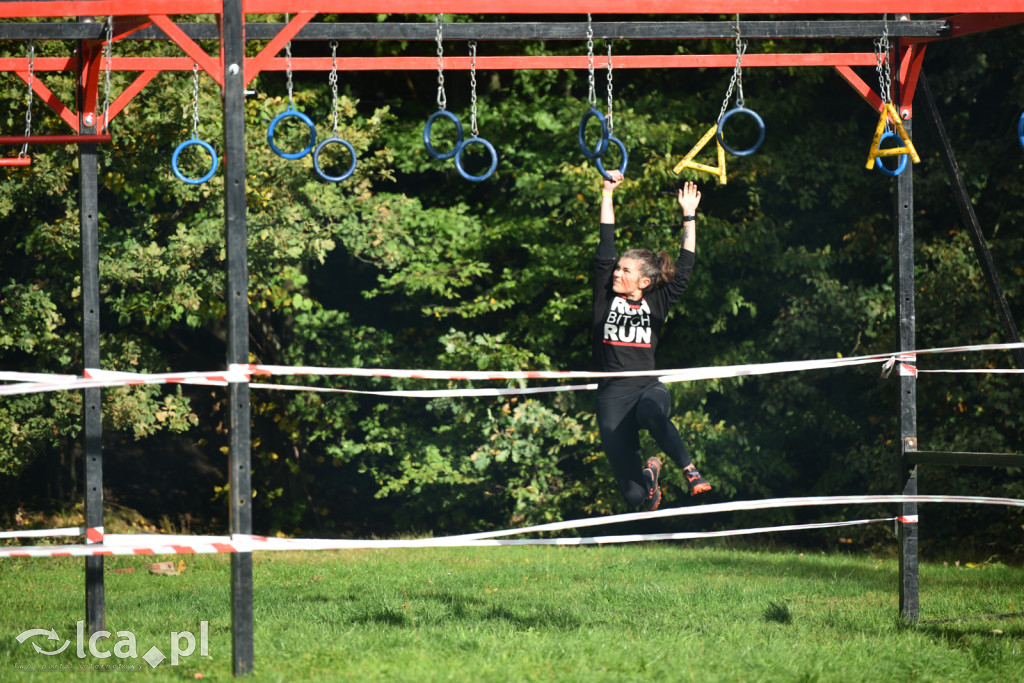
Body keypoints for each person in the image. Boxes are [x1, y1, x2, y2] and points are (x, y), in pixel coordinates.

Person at [592, 169, 711, 511]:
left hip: (646, 387)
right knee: (635, 500)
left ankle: (689, 470)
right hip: (611, 397)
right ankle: (649, 478)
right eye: (617, 268)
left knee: (651, 413)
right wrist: (607, 193)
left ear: (644, 282)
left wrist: (689, 215)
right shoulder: (605, 296)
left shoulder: (657, 301)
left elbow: (686, 265)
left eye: (625, 271)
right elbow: (606, 240)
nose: (617, 273)